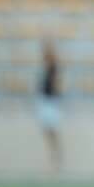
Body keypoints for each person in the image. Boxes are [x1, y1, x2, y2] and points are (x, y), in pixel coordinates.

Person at [37, 41, 62, 172]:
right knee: (47, 131)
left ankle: (55, 160)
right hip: (45, 101)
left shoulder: (53, 67)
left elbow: (56, 85)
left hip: (50, 102)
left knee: (52, 132)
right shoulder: (46, 68)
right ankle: (53, 159)